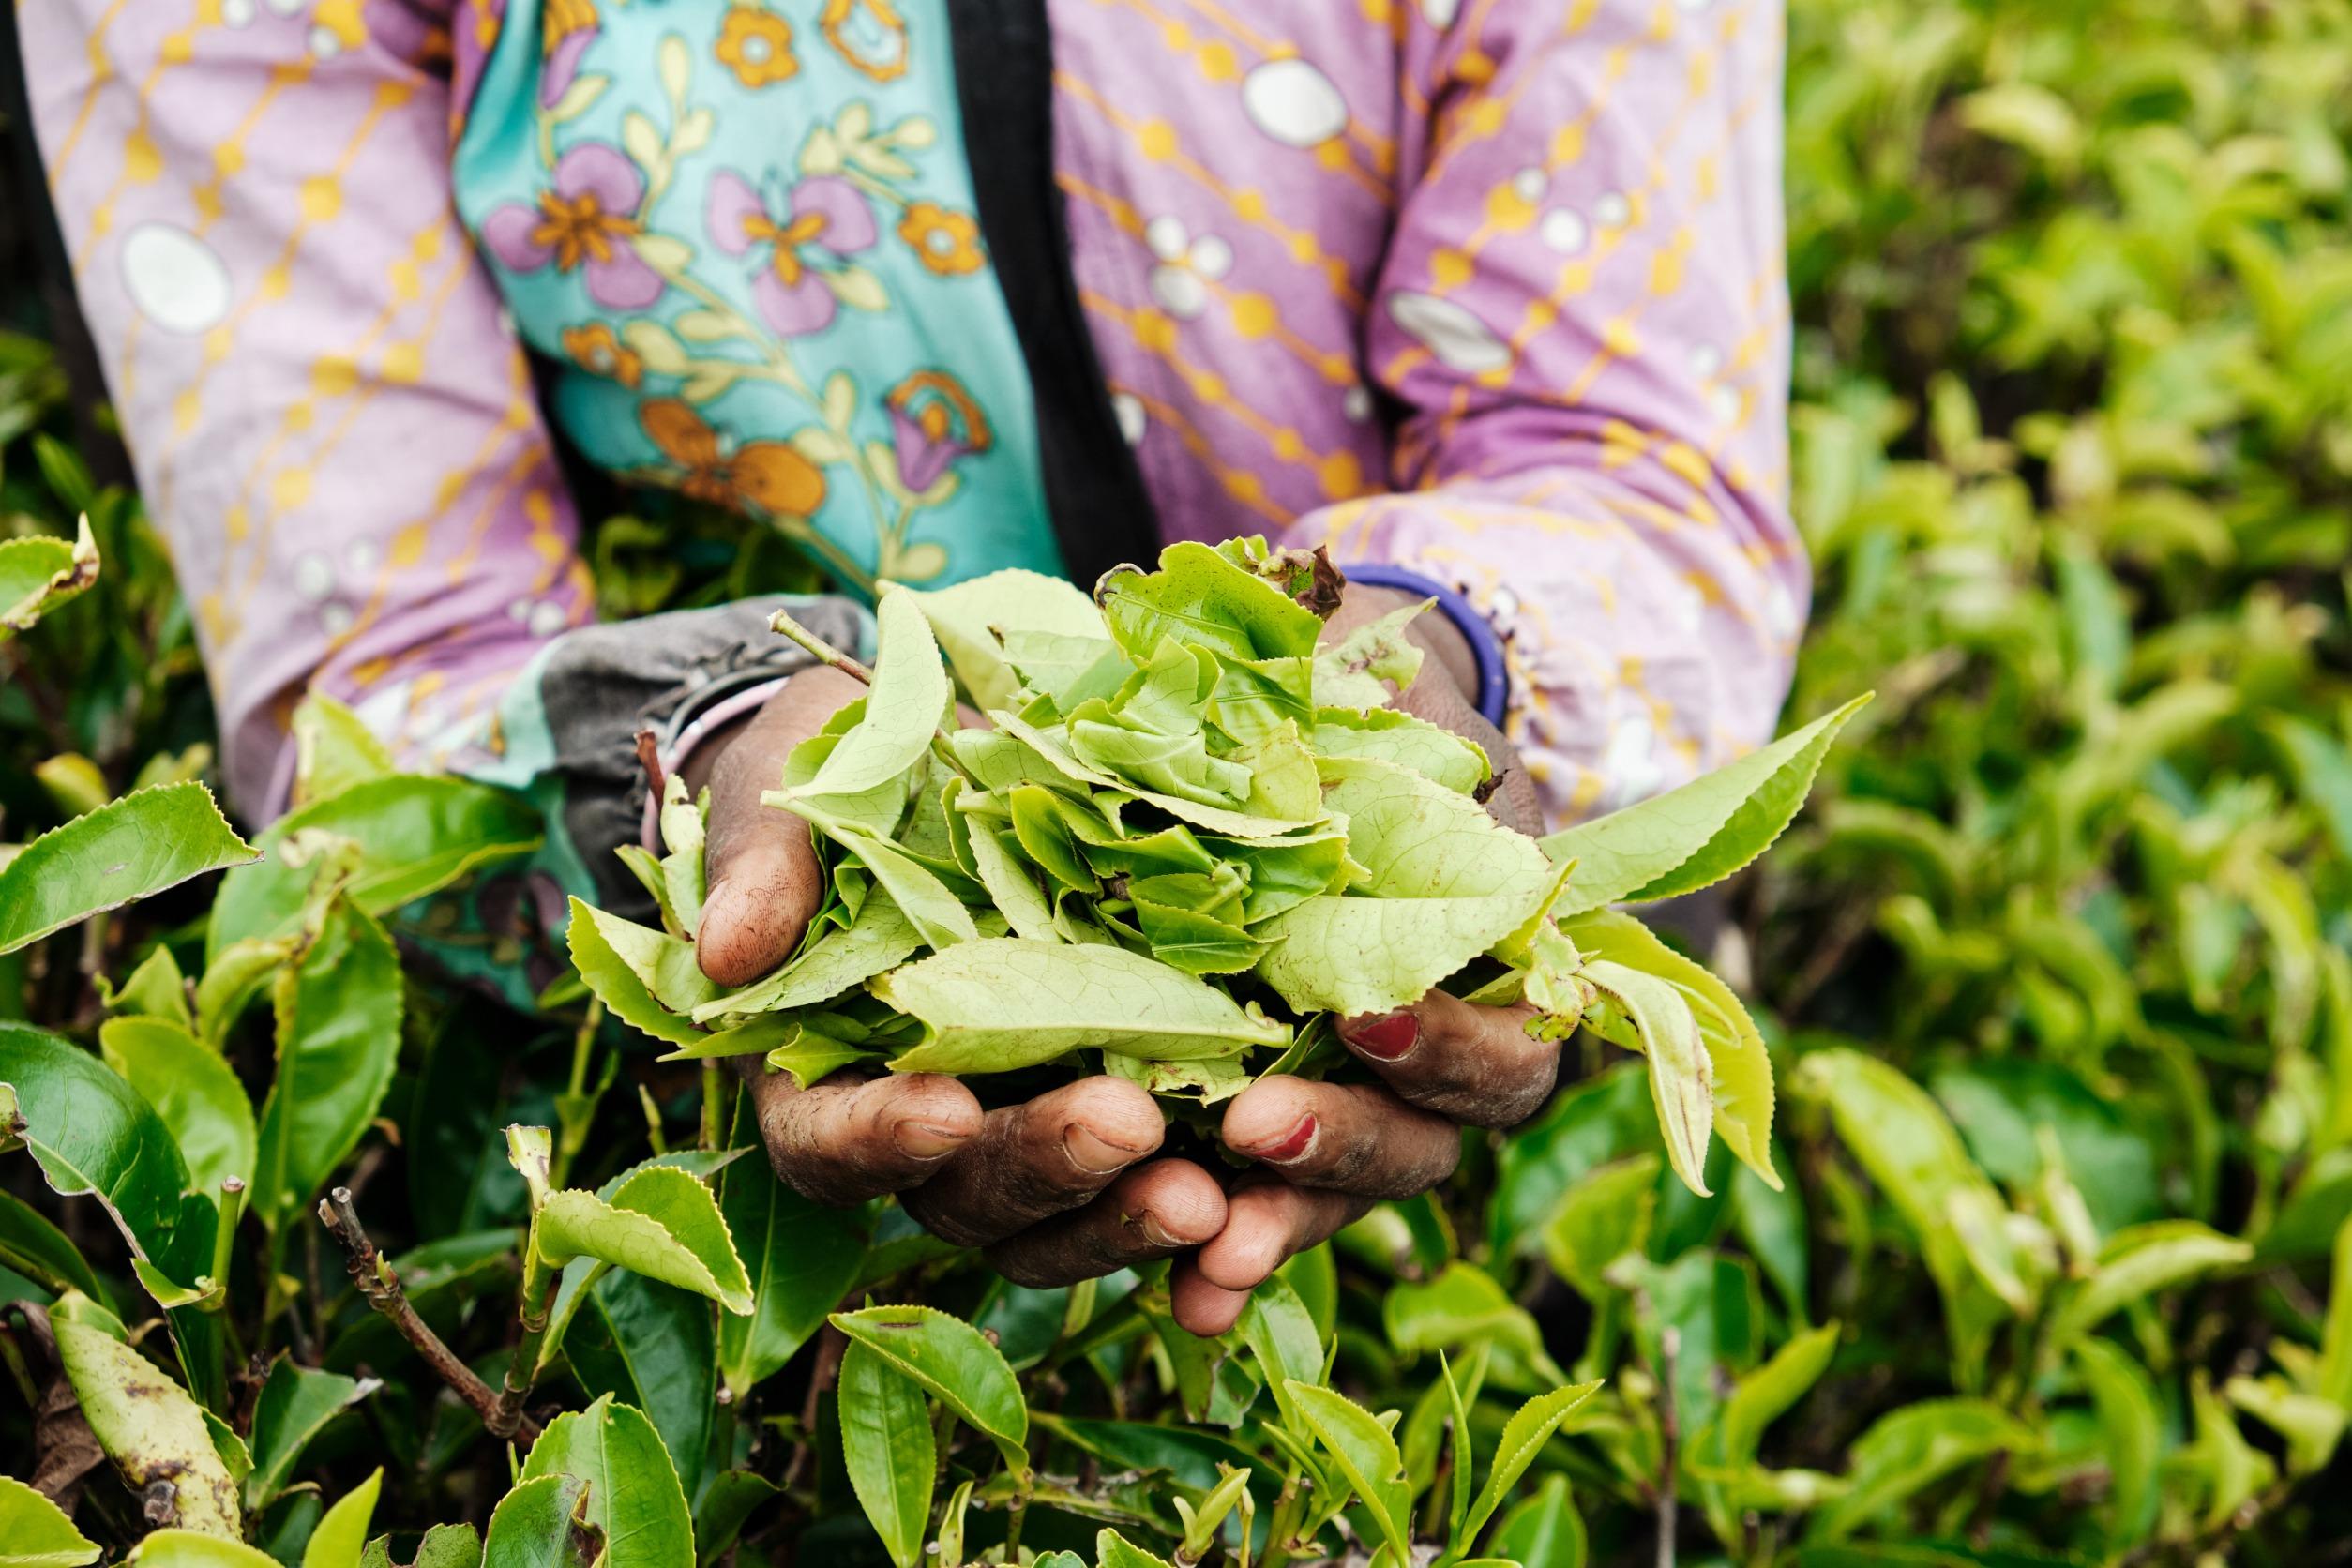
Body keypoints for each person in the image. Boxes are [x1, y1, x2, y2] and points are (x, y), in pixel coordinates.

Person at [22, 0, 1803, 1335]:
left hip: (1458, 1004)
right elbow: (374, 679)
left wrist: (1424, 676)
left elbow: (1641, 471)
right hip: (722, 1189)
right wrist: (711, 765)